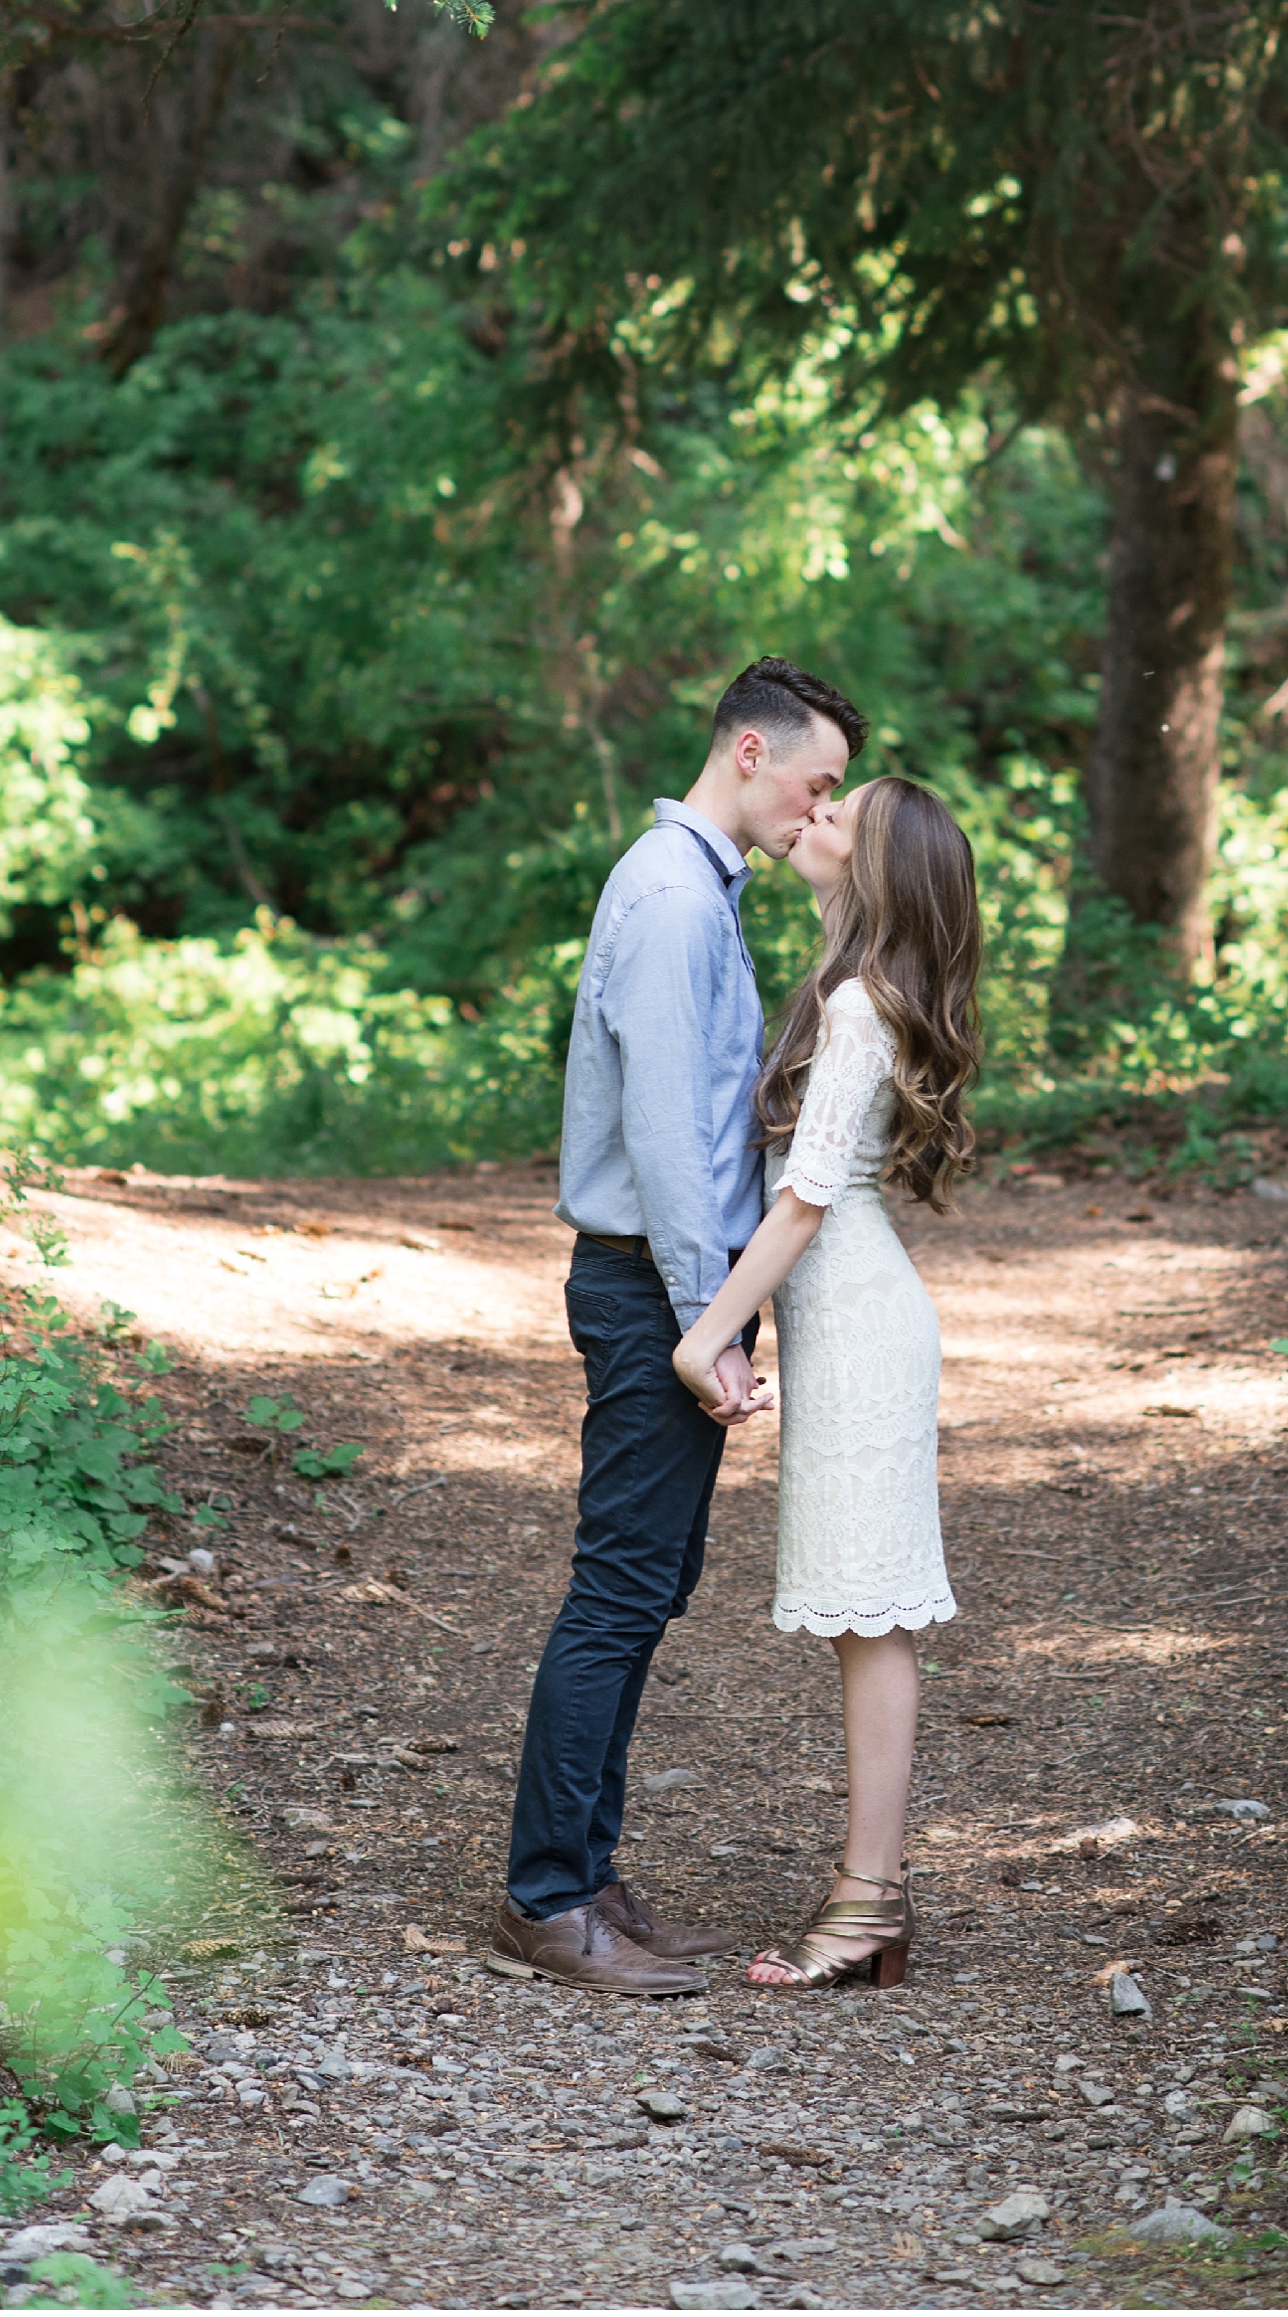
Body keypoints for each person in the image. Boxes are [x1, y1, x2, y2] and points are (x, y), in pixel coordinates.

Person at [491, 656, 867, 1999]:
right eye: (816, 782)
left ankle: (587, 1873)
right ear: (751, 753)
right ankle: (546, 1896)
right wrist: (710, 1317)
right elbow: (665, 1135)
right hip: (655, 1284)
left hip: (677, 1285)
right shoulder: (667, 897)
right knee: (617, 1590)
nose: (818, 810)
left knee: (646, 1585)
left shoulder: (701, 890)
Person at [669, 775, 981, 1991]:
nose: (810, 821)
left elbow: (803, 1200)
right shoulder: (854, 992)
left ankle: (866, 1906)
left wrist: (710, 1336)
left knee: (868, 1619)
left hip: (856, 1322)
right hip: (855, 1317)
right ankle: (871, 1900)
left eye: (836, 818)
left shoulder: (858, 1004)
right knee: (869, 1620)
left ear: (876, 868)